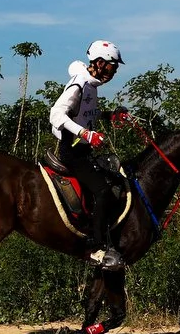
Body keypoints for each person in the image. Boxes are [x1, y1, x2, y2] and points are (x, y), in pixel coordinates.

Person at [49, 39, 130, 269]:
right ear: (102, 63)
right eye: (114, 66)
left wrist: (110, 116)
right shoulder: (79, 85)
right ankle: (96, 248)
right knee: (103, 191)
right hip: (72, 152)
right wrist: (87, 135)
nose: (115, 71)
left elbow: (88, 113)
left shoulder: (92, 86)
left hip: (82, 149)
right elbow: (56, 115)